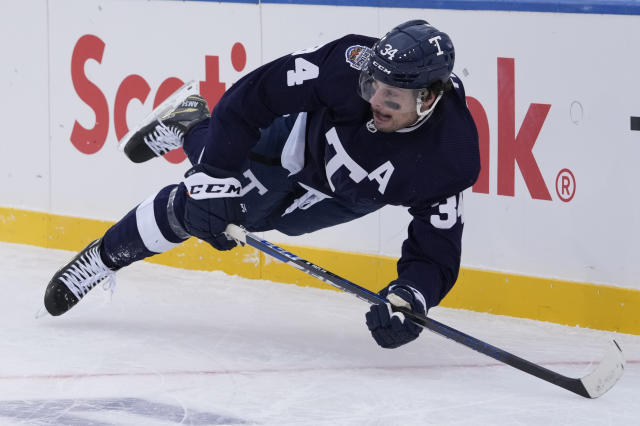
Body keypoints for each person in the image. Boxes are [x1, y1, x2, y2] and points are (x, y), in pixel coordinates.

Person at [43, 20, 480, 349]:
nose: (374, 102)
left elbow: (437, 246)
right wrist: (213, 178)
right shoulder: (348, 64)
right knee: (202, 210)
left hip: (348, 192)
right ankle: (103, 258)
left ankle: (188, 123)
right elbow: (254, 96)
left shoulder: (452, 155)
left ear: (428, 99)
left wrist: (413, 294)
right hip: (295, 144)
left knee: (271, 222)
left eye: (392, 99)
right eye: (372, 86)